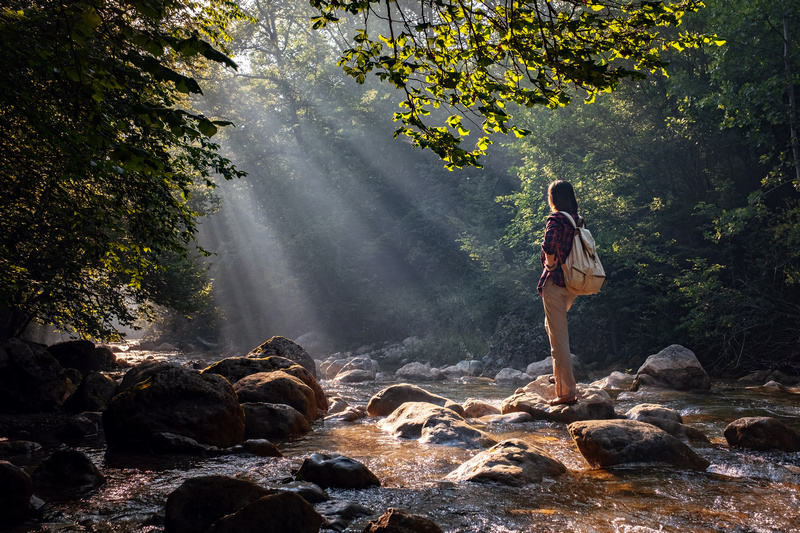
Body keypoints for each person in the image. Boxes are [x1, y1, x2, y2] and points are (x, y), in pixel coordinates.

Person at [537, 180, 580, 406]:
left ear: (553, 198)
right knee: (551, 327)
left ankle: (566, 393)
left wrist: (551, 265)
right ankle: (560, 375)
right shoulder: (577, 220)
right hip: (572, 283)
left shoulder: (556, 219)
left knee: (558, 340)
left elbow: (549, 242)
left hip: (555, 282)